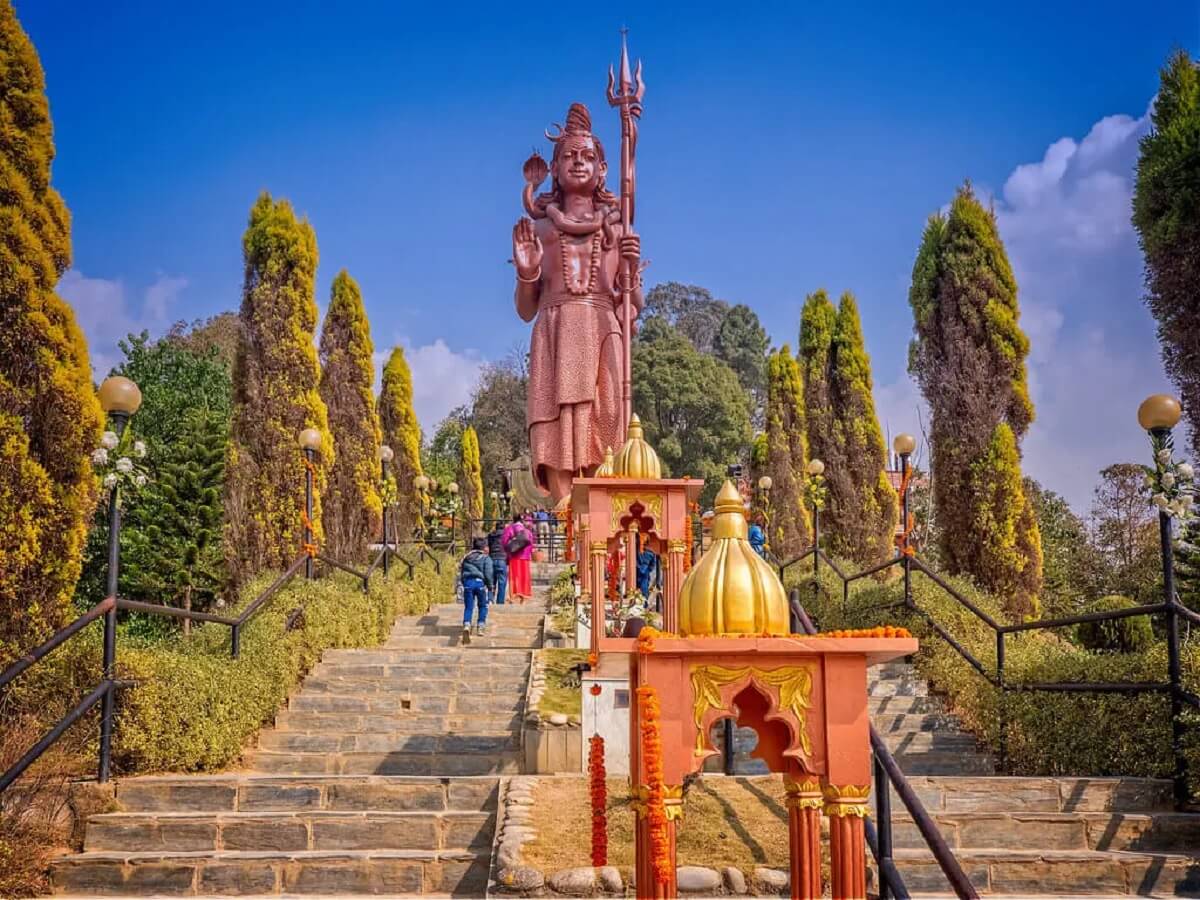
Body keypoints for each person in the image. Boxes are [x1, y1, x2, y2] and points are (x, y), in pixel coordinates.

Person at [459, 536, 494, 643]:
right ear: (484, 547)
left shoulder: (466, 557)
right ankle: (480, 626)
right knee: (482, 605)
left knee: (469, 607)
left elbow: (461, 573)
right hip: (480, 584)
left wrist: (464, 583)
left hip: (468, 584)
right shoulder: (486, 558)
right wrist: (490, 586)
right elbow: (488, 574)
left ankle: (466, 625)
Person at [503, 513, 534, 603]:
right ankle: (524, 596)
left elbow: (504, 542)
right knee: (524, 576)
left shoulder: (510, 528)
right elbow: (531, 543)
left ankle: (513, 596)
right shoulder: (527, 531)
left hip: (514, 556)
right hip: (525, 557)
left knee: (514, 576)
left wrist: (508, 551)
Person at [486, 520, 508, 606]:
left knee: (491, 581)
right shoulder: (506, 535)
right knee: (502, 582)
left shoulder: (491, 535)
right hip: (502, 559)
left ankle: (490, 599)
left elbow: (487, 545)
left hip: (491, 558)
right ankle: (500, 602)